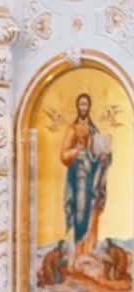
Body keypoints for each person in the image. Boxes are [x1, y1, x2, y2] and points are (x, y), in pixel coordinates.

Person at [60, 92, 111, 265]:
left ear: (89, 107)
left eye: (86, 104)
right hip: (79, 177)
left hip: (92, 178)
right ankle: (79, 250)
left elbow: (97, 155)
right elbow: (63, 155)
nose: (83, 107)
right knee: (80, 212)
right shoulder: (72, 129)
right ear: (77, 107)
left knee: (93, 211)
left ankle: (89, 251)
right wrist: (76, 152)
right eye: (81, 104)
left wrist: (104, 158)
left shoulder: (94, 129)